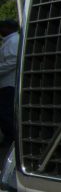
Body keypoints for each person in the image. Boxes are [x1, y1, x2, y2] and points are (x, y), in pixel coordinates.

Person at [0, 19, 20, 151]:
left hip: (10, 84)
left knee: (5, 113)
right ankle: (9, 137)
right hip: (5, 83)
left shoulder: (14, 40)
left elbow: (13, 60)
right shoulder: (8, 41)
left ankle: (12, 138)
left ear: (8, 28)